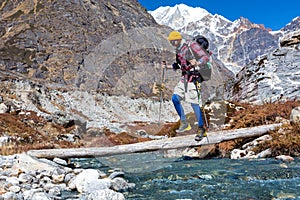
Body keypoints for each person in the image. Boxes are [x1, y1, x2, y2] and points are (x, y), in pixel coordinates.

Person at [162, 31, 210, 141]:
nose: (171, 43)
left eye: (173, 41)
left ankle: (201, 129)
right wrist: (167, 67)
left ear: (178, 39)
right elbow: (178, 65)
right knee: (175, 98)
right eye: (170, 41)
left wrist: (197, 63)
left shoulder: (191, 46)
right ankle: (184, 122)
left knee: (194, 103)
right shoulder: (178, 50)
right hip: (184, 78)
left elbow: (205, 57)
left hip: (194, 78)